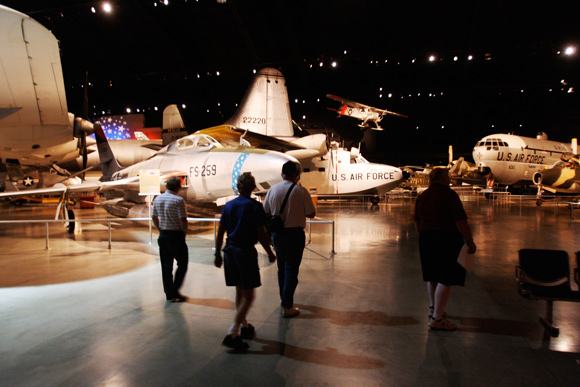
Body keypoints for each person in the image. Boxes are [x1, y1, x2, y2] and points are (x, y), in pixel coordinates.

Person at [215, 172, 276, 351]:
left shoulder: (228, 206)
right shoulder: (255, 207)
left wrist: (217, 254)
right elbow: (261, 233)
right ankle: (232, 333)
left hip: (230, 252)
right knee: (249, 296)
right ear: (253, 188)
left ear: (239, 186)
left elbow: (221, 232)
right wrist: (270, 252)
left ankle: (244, 326)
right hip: (245, 253)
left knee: (239, 291)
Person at [414, 168, 476, 331]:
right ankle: (437, 318)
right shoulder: (449, 195)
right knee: (446, 278)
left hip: (426, 238)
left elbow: (417, 220)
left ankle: (434, 309)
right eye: (448, 176)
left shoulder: (423, 196)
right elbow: (460, 220)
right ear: (442, 178)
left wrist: (423, 235)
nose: (449, 178)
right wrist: (469, 241)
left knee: (432, 276)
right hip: (446, 239)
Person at [264, 161, 316, 318]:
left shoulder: (272, 190)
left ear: (282, 175)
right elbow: (311, 213)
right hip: (295, 235)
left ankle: (284, 300)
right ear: (296, 175)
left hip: (277, 235)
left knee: (282, 269)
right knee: (292, 269)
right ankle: (287, 306)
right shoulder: (301, 191)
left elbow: (265, 212)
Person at [152, 176, 189, 303]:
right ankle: (175, 290)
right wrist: (184, 232)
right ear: (178, 187)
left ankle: (169, 293)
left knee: (166, 266)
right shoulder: (179, 200)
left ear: (166, 186)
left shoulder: (157, 198)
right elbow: (183, 219)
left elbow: (154, 216)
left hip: (163, 236)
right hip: (176, 236)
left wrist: (160, 229)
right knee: (182, 264)